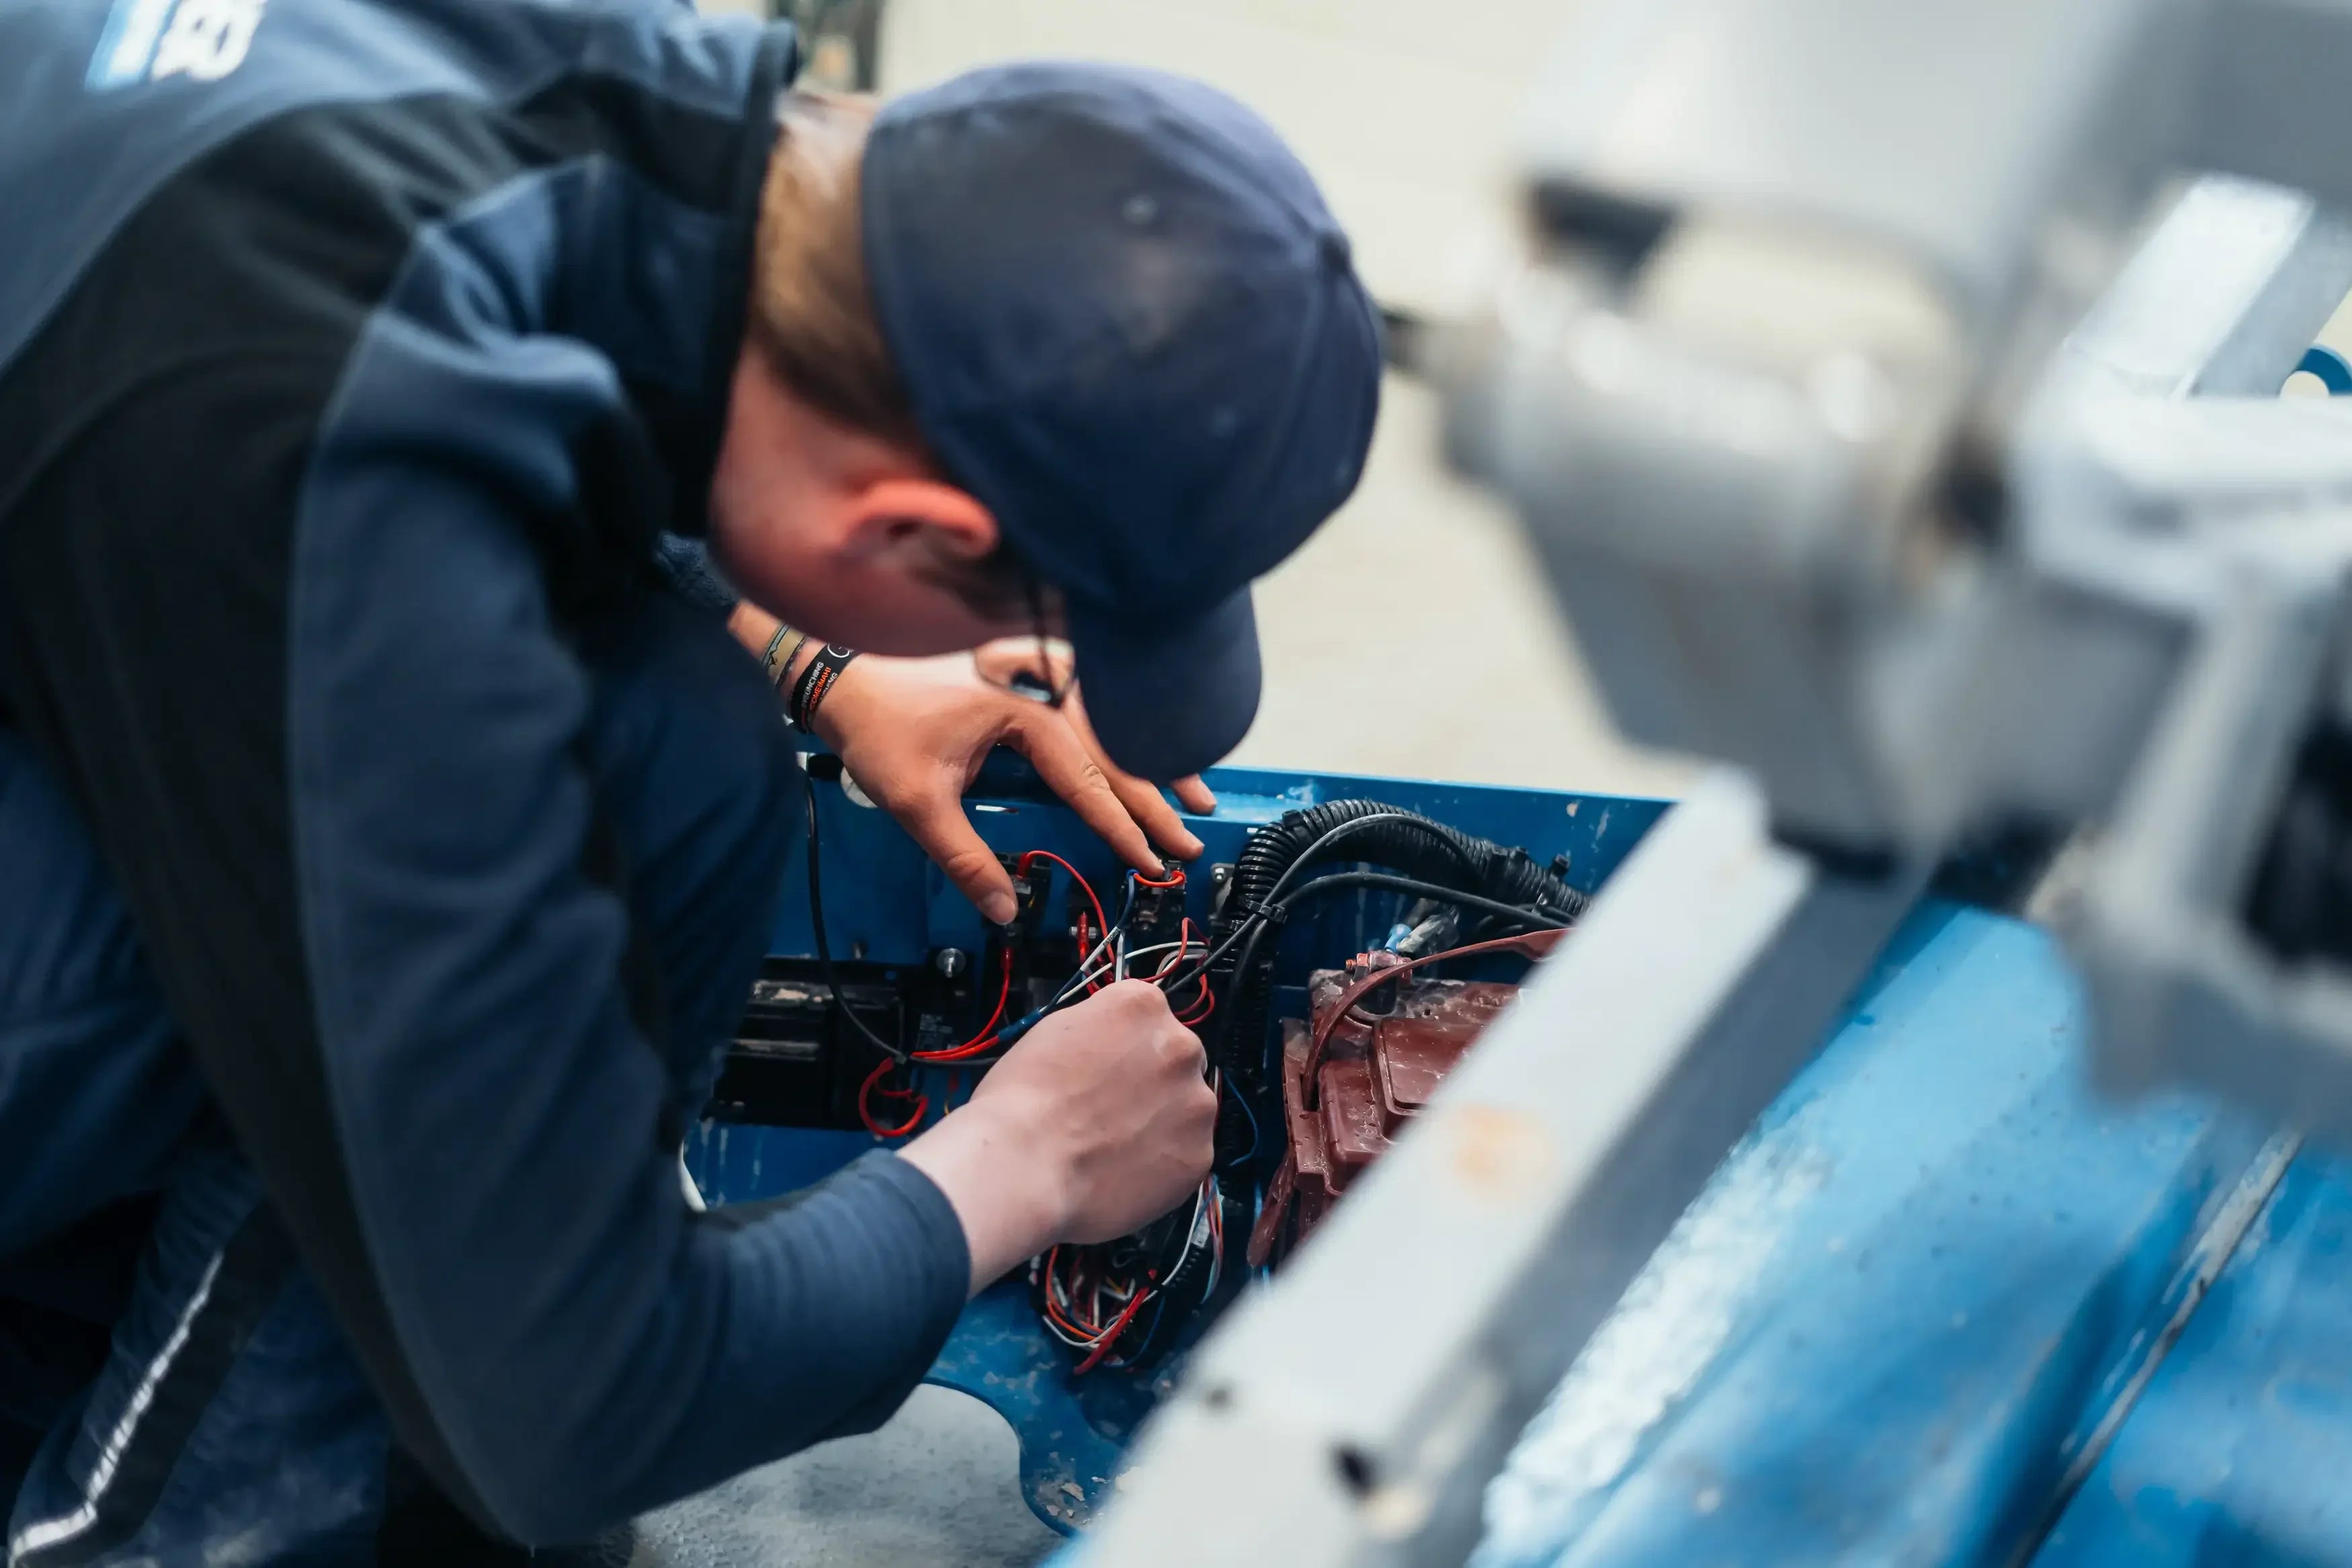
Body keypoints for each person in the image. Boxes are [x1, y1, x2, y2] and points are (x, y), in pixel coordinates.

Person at [0, 1, 1380, 1562]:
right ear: (890, 526)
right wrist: (1022, 1162)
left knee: (675, 736)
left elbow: (471, 388)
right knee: (571, 827)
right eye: (1017, 622)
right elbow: (577, 1413)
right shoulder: (326, 452)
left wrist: (819, 657)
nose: (1017, 662)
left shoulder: (592, 90)